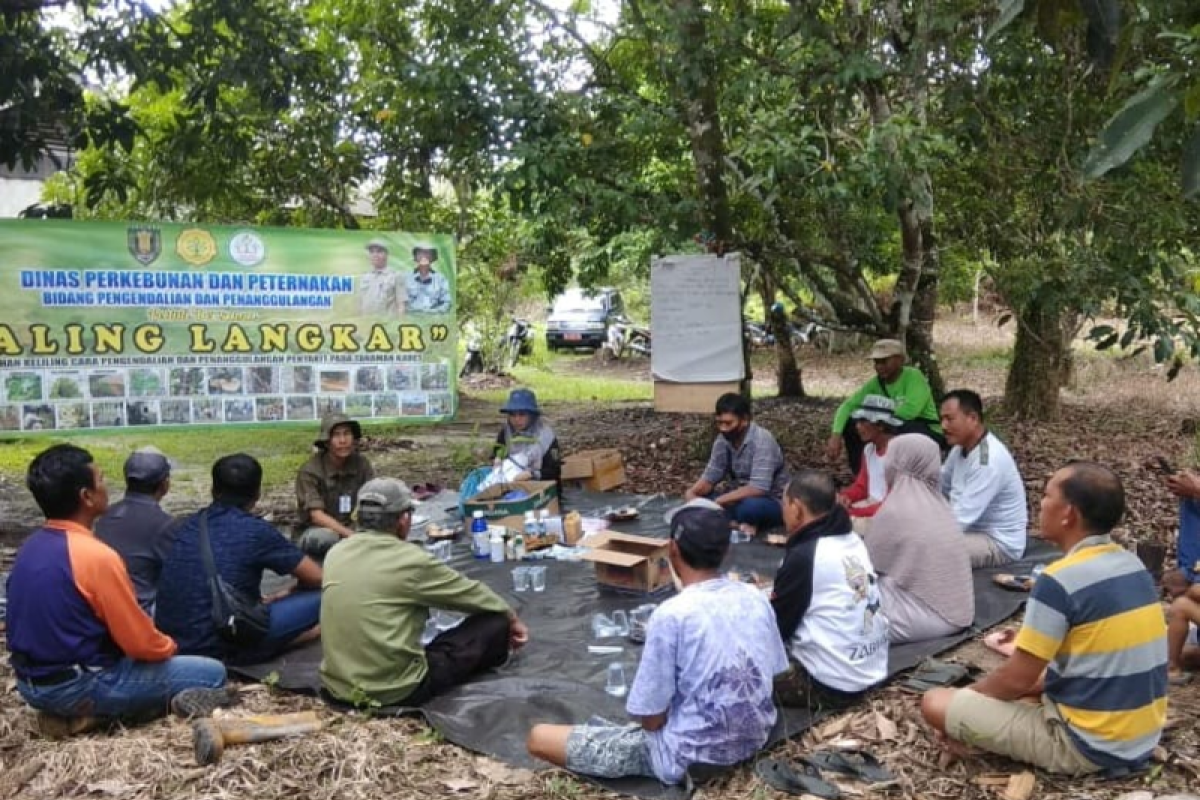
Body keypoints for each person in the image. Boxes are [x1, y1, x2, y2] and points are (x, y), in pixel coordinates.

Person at [921, 462, 1167, 776]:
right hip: (1140, 737)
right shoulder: (1132, 564)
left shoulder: (1058, 580)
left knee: (935, 701)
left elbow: (1016, 679)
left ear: (1069, 514)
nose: (1039, 504)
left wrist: (965, 702)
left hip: (1086, 746)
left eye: (1046, 496)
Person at [526, 503, 787, 784]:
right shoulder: (754, 597)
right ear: (726, 551)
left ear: (672, 549)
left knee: (539, 737)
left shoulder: (671, 615)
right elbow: (773, 671)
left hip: (689, 758)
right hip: (756, 738)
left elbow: (650, 719)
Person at [6, 444, 229, 738]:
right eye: (100, 479)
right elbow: (140, 645)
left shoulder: (31, 546)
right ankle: (99, 714)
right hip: (76, 685)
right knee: (212, 673)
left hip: (29, 684)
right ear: (86, 496)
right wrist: (171, 647)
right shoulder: (96, 556)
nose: (106, 485)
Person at [320, 478, 529, 706]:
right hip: (393, 690)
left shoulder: (335, 552)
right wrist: (511, 616)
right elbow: (470, 594)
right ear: (403, 519)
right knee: (495, 623)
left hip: (338, 686)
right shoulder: (409, 560)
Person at [156, 454, 323, 664]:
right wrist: (290, 590)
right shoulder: (256, 531)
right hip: (227, 640)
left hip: (175, 641)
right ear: (257, 493)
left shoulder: (186, 524)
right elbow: (318, 578)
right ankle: (277, 643)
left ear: (213, 490)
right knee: (325, 594)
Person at [771, 469, 889, 711]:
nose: (782, 511)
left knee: (735, 678)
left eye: (784, 503)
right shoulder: (852, 539)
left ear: (796, 508)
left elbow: (776, 628)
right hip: (874, 670)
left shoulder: (806, 557)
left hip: (834, 685)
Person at [865, 435, 974, 643]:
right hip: (957, 612)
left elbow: (866, 567)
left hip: (929, 615)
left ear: (898, 461)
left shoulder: (896, 508)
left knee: (842, 613)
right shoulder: (940, 504)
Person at [825, 339, 943, 475]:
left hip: (925, 430)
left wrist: (877, 420)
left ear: (899, 360)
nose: (879, 366)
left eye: (884, 361)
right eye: (876, 362)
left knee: (897, 428)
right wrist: (836, 435)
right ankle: (861, 474)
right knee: (852, 425)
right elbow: (847, 406)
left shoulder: (913, 377)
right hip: (890, 425)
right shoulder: (875, 383)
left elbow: (911, 411)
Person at [939, 389, 1028, 568]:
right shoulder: (959, 449)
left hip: (997, 542)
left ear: (972, 418)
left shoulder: (987, 461)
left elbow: (960, 518)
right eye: (942, 419)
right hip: (967, 531)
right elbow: (940, 485)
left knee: (930, 550)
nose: (943, 426)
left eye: (950, 419)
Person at [685, 393, 789, 536]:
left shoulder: (763, 441)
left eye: (728, 423)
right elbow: (710, 476)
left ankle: (731, 520)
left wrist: (719, 501)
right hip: (736, 497)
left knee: (749, 508)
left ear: (745, 420)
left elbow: (759, 488)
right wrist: (692, 494)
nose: (723, 428)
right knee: (703, 500)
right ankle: (736, 522)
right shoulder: (722, 441)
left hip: (769, 500)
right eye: (719, 423)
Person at [94, 446, 178, 613]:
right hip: (141, 610)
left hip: (105, 606)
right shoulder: (164, 525)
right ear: (165, 484)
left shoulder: (105, 516)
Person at [296, 413, 376, 560]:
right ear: (326, 442)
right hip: (318, 531)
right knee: (326, 538)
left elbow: (373, 499)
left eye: (347, 434)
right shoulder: (310, 471)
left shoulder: (361, 464)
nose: (343, 440)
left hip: (352, 527)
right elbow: (316, 516)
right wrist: (350, 535)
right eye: (336, 435)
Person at [837, 395, 901, 523]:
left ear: (880, 425)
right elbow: (862, 486)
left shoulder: (898, 453)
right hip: (870, 505)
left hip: (887, 514)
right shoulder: (869, 450)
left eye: (863, 421)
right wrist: (846, 497)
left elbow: (892, 503)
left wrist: (853, 512)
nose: (857, 427)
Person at [493, 389, 562, 482]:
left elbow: (554, 471)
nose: (517, 419)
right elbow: (497, 453)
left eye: (522, 414)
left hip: (541, 486)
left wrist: (531, 474)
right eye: (513, 415)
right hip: (510, 483)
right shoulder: (505, 433)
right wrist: (497, 460)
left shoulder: (546, 436)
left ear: (532, 415)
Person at [359, 238, 405, 315]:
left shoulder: (396, 276)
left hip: (386, 324)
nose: (375, 255)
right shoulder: (364, 276)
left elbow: (401, 306)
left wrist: (399, 323)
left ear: (387, 254)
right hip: (367, 322)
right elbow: (360, 303)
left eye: (379, 251)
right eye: (371, 252)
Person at [405, 243, 452, 313]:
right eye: (420, 253)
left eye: (427, 253)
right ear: (415, 257)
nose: (424, 256)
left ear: (433, 257)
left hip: (434, 319)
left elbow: (447, 302)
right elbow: (399, 302)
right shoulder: (405, 277)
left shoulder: (441, 279)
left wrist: (434, 312)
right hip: (410, 318)